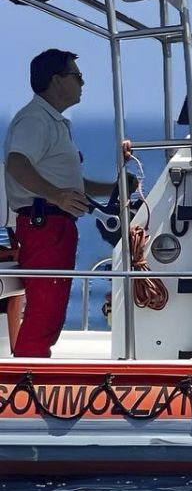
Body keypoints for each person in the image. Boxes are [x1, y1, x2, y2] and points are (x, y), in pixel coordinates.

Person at [4, 49, 131, 358]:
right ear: (57, 81)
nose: (83, 83)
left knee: (51, 312)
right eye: (77, 77)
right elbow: (16, 163)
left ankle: (29, 377)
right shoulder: (35, 120)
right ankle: (26, 384)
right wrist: (56, 196)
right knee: (45, 313)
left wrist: (115, 187)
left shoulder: (53, 122)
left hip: (52, 227)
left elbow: (70, 185)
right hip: (45, 227)